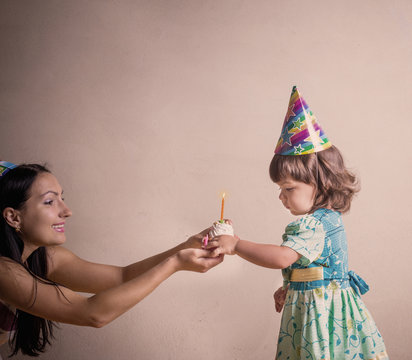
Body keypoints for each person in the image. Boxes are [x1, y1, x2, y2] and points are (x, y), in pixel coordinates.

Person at [207, 87, 388, 359]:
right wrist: (290, 286)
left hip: (321, 315)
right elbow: (314, 267)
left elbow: (282, 257)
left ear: (320, 182)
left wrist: (236, 244)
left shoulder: (313, 225)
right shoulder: (329, 220)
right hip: (322, 306)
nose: (281, 196)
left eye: (288, 188)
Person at [0, 161, 223, 357]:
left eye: (62, 198)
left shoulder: (45, 257)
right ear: (13, 216)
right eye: (49, 202)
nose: (67, 211)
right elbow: (93, 314)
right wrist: (175, 263)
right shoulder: (4, 270)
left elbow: (122, 277)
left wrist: (185, 247)